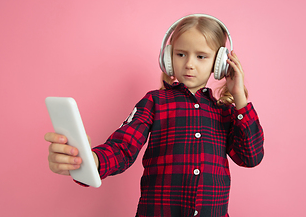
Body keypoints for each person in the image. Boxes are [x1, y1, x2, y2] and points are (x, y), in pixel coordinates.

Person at [44, 14, 264, 217]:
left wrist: (240, 100)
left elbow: (250, 157)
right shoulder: (155, 102)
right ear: (167, 58)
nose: (189, 64)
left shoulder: (226, 113)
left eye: (201, 56)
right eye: (180, 54)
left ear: (220, 64)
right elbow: (123, 147)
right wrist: (92, 161)